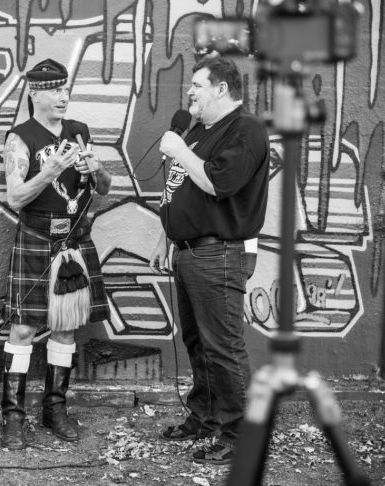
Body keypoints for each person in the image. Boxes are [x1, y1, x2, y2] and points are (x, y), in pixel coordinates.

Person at [149, 57, 270, 465]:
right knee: (198, 343)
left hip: (217, 254)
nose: (189, 92)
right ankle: (205, 418)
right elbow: (181, 189)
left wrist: (179, 149)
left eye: (197, 85)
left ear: (221, 89)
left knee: (223, 348)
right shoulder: (200, 130)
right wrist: (166, 234)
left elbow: (218, 182)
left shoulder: (245, 130)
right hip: (187, 251)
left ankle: (239, 436)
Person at [0, 58, 112, 450]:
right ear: (35, 93)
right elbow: (15, 198)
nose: (64, 96)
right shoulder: (20, 138)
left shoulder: (79, 132)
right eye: (55, 90)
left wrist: (98, 169)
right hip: (36, 237)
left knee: (65, 327)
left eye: (66, 89)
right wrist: (49, 171)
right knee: (23, 330)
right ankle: (13, 416)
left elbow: (104, 188)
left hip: (74, 241)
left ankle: (55, 409)